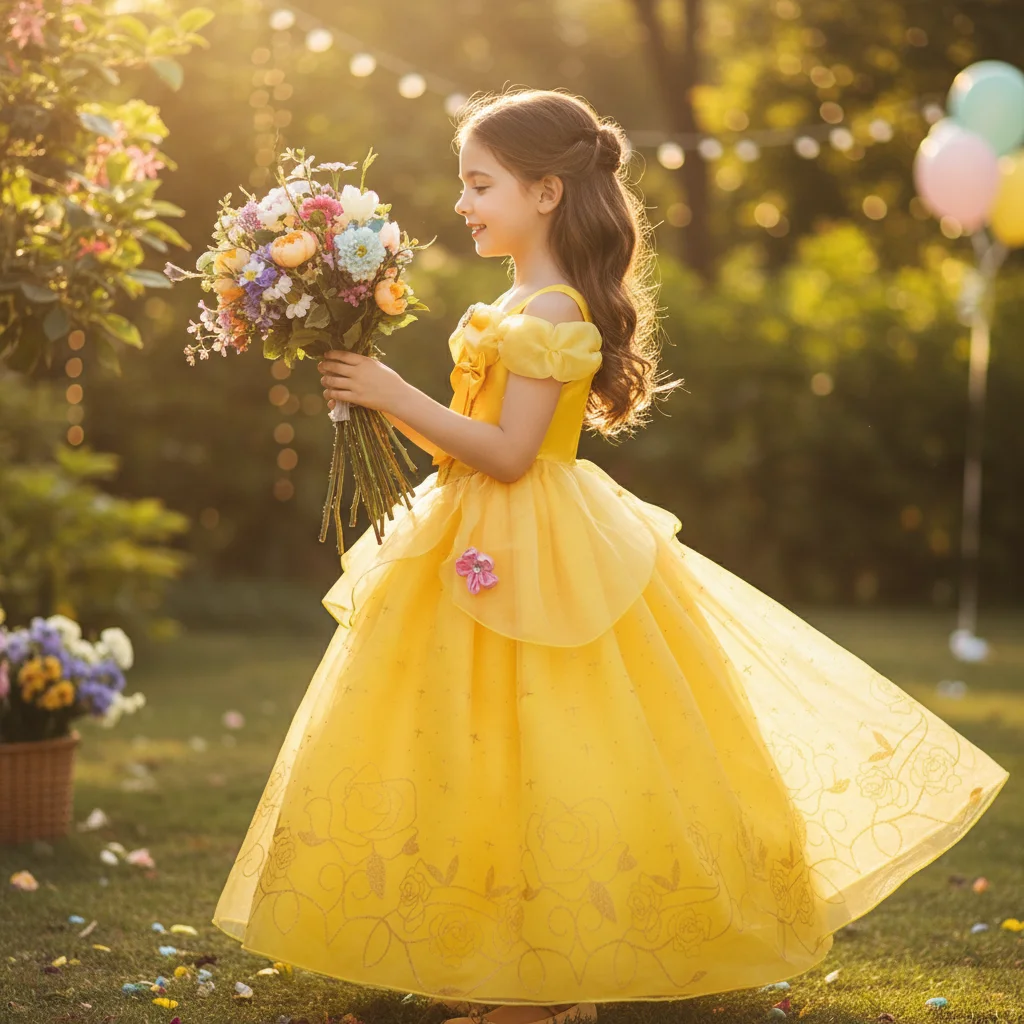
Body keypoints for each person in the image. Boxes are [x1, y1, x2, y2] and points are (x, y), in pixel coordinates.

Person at [212, 88, 1009, 1024]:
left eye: (482, 184)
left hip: (536, 539)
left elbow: (512, 454)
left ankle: (550, 987)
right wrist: (378, 393)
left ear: (546, 192)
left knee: (554, 748)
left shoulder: (555, 311)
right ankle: (496, 953)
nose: (463, 204)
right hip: (471, 536)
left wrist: (390, 392)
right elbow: (466, 442)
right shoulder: (510, 300)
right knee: (472, 752)